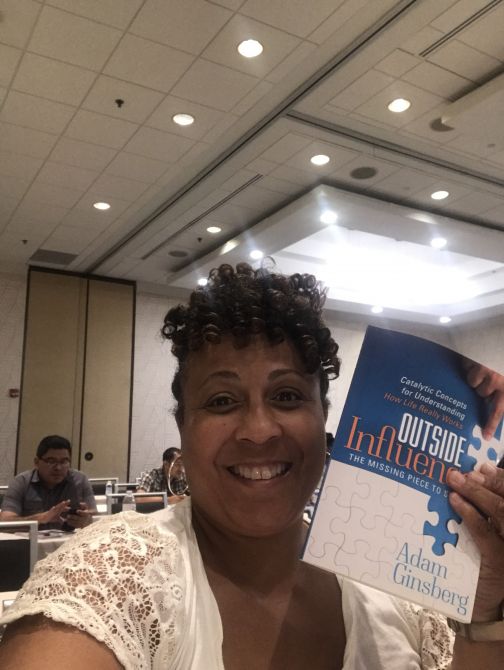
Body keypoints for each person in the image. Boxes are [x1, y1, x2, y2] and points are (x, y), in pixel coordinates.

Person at [0, 263, 503, 669]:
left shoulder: (394, 589)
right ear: (183, 430)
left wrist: (483, 618)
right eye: (221, 401)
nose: (259, 430)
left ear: (324, 419)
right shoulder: (114, 576)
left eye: (287, 396)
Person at [0, 435, 96, 531]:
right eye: (51, 461)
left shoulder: (80, 480)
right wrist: (41, 518)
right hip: (30, 539)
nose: (58, 468)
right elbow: (5, 521)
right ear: (36, 462)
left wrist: (87, 520)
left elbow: (95, 517)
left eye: (64, 461)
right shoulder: (21, 482)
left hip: (70, 539)